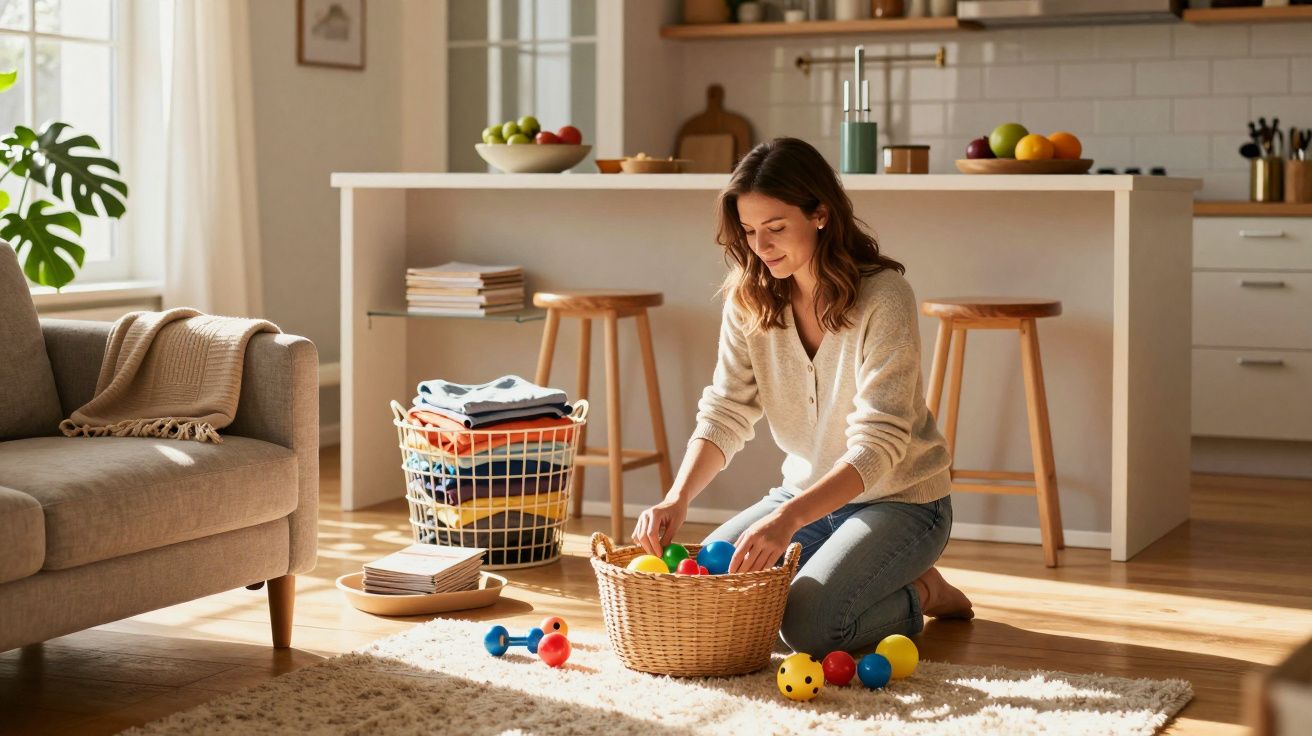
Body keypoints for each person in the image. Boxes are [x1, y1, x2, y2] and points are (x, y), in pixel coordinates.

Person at [631, 137, 973, 655]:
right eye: (748, 231)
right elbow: (726, 410)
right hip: (801, 496)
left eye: (775, 228)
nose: (760, 247)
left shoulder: (884, 298)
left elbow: (878, 445)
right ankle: (850, 571)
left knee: (808, 628)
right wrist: (677, 497)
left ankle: (922, 590)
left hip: (901, 502)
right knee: (720, 590)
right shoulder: (749, 299)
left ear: (820, 214)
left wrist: (788, 521)